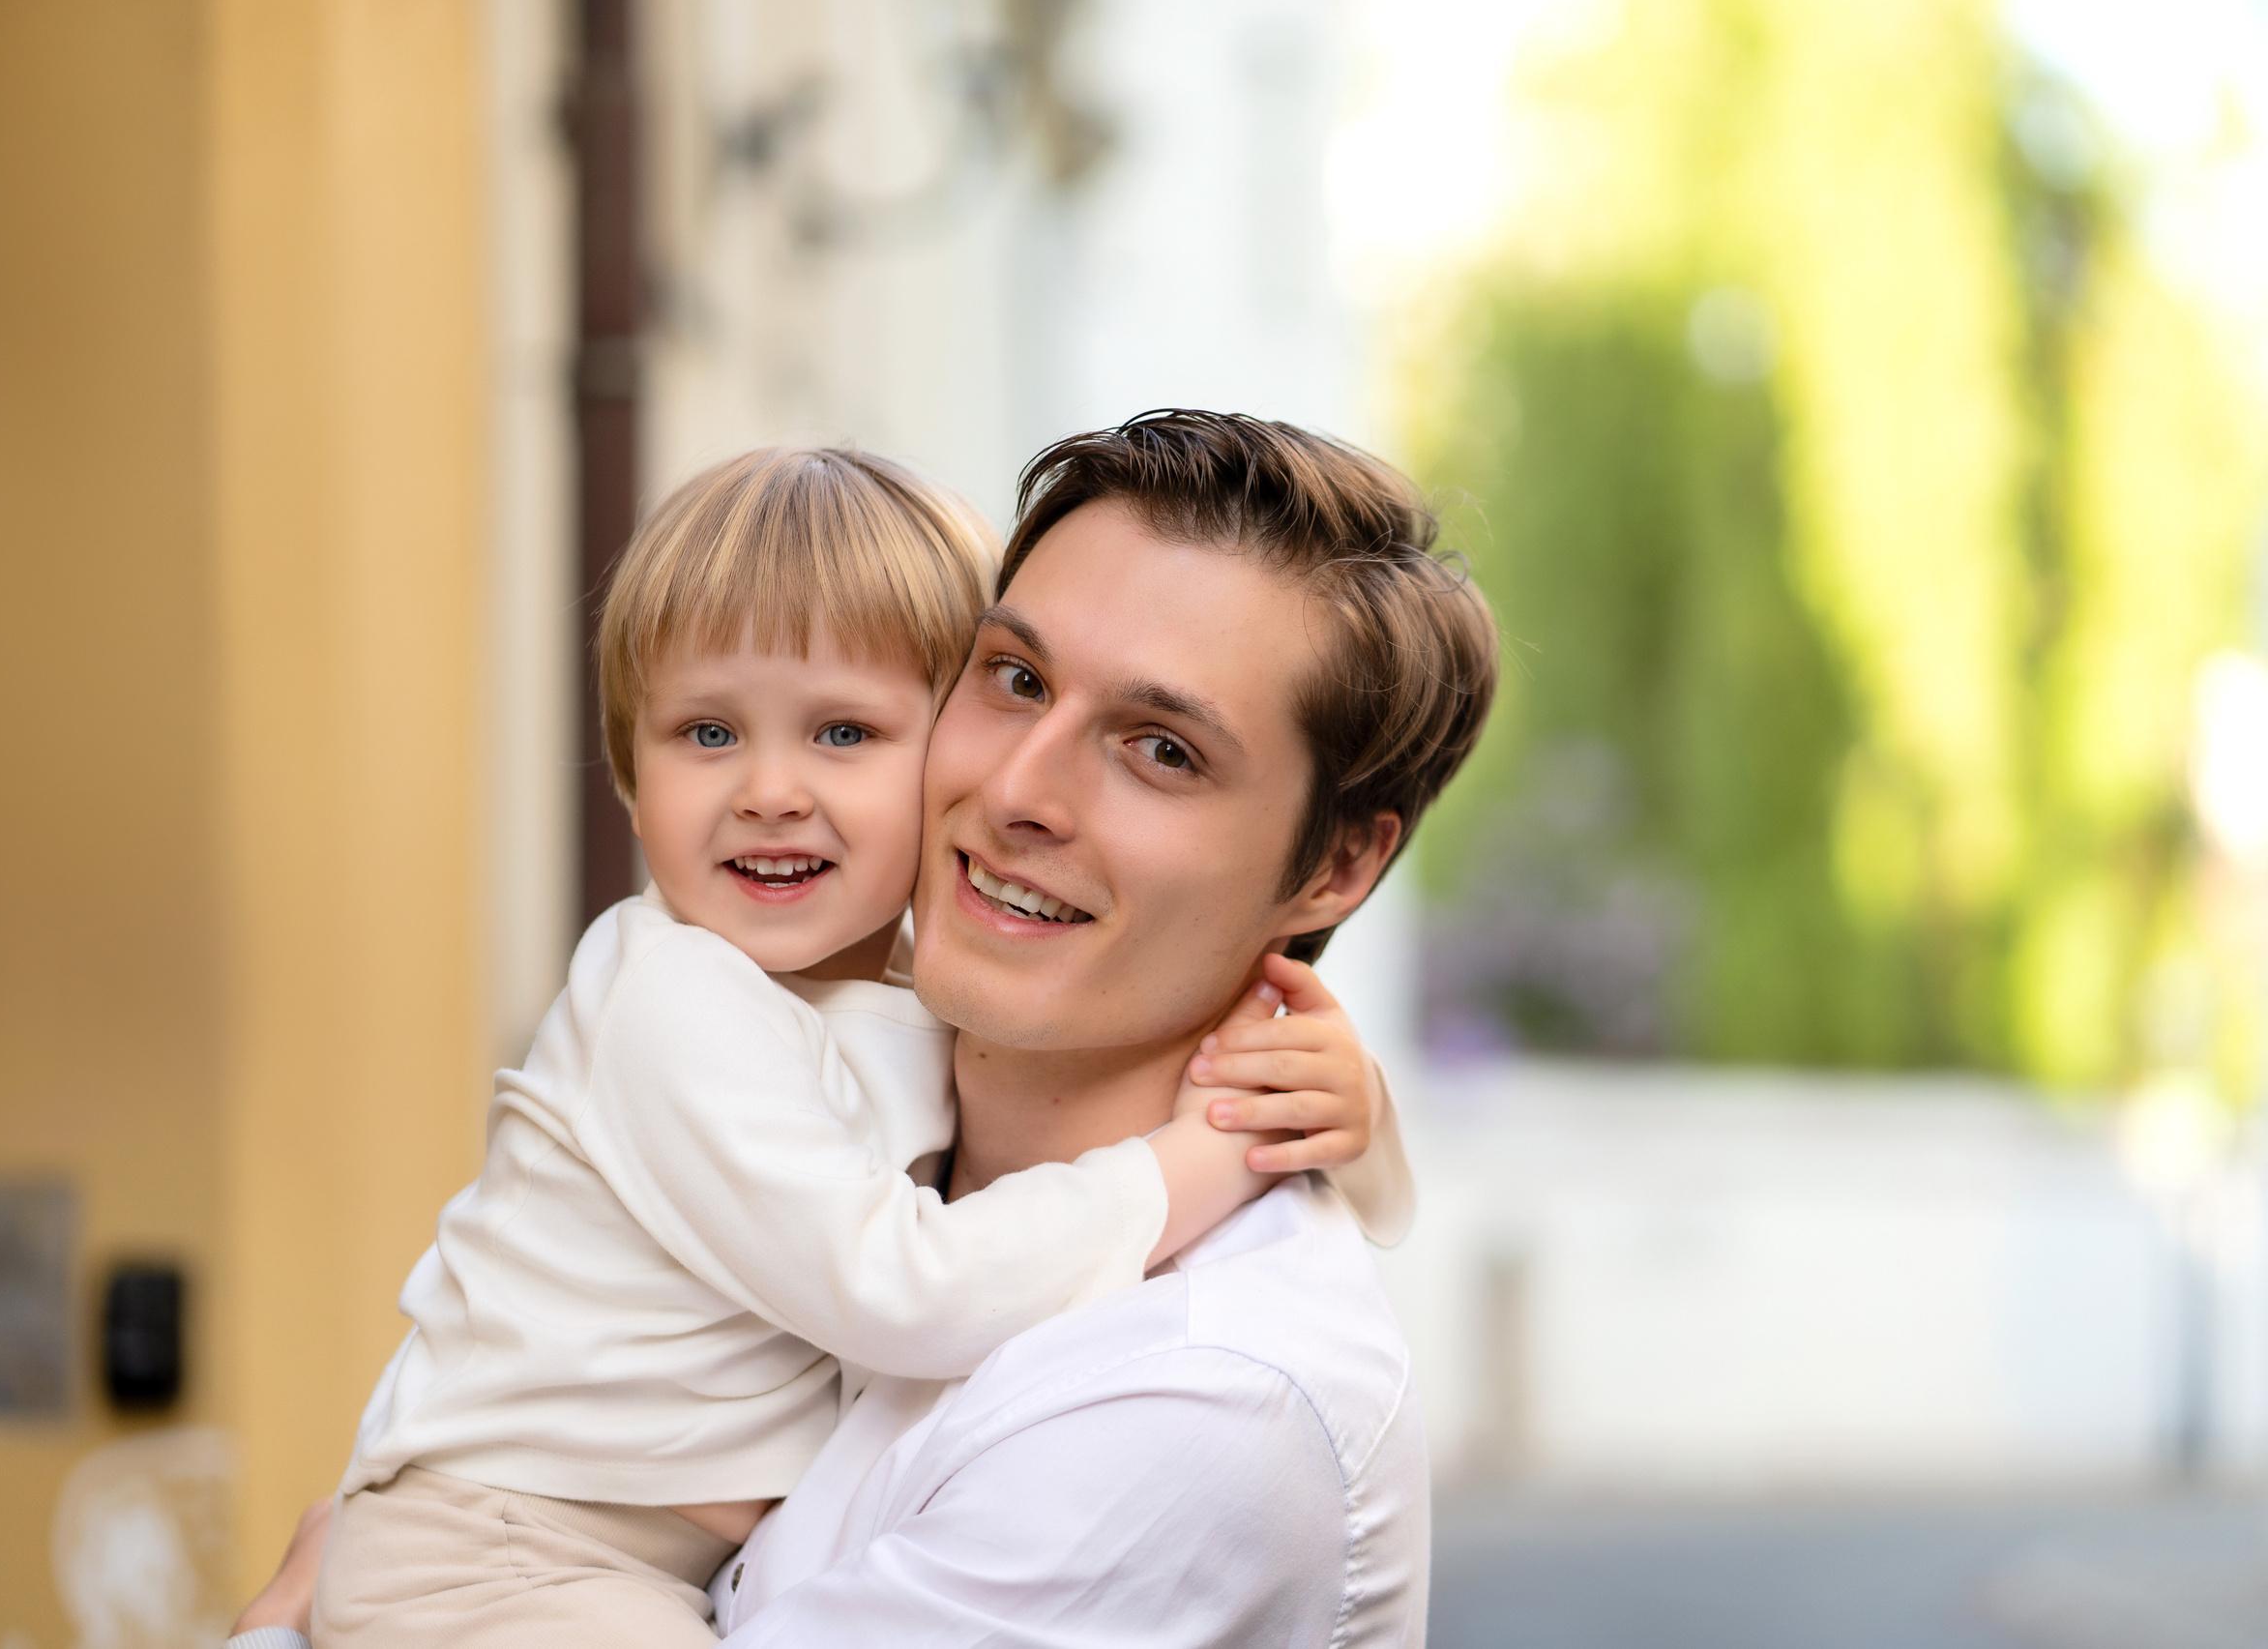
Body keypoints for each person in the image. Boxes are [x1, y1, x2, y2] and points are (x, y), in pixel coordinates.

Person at [234, 410, 1492, 1646]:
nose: (1015, 789)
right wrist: (1227, 1145)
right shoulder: (707, 1006)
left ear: (1336, 865)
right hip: (510, 1555)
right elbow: (904, 1288)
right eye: (1016, 680)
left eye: (1161, 749)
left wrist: (1334, 1113)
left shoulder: (1195, 1406)